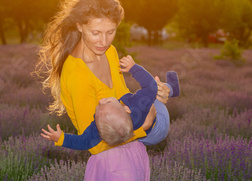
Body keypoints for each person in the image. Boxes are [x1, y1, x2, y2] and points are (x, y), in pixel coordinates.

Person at [35, 0, 171, 181]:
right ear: (80, 25)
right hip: (111, 165)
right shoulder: (76, 74)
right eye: (96, 32)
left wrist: (153, 97)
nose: (104, 40)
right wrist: (143, 124)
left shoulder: (109, 52)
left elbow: (122, 98)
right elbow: (96, 140)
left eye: (111, 32)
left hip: (134, 154)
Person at [40, 55, 179, 150]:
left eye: (98, 107)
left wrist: (61, 138)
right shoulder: (137, 105)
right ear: (126, 109)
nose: (100, 101)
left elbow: (84, 142)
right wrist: (133, 68)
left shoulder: (99, 127)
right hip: (159, 123)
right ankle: (173, 86)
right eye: (107, 102)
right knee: (154, 91)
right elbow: (150, 86)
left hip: (148, 138)